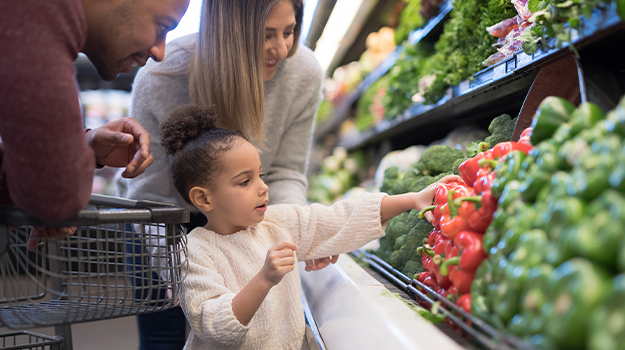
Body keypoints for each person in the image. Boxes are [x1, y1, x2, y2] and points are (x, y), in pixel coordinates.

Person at [114, 0, 334, 347]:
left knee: (257, 334)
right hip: (165, 226)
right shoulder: (162, 78)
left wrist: (298, 232)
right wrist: (181, 274)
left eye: (289, 31)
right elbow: (151, 197)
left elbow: (286, 172)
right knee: (165, 340)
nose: (282, 48)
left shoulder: (303, 72)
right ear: (230, 34)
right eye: (266, 35)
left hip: (247, 224)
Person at [160, 105, 458, 350]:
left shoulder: (275, 223)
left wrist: (410, 199)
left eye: (260, 175)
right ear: (203, 198)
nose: (263, 188)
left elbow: (336, 218)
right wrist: (265, 278)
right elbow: (217, 328)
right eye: (245, 181)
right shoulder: (194, 252)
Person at [0, 0, 190, 227]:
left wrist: (85, 146)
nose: (160, 52)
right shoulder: (37, 21)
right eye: (162, 26)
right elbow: (57, 200)